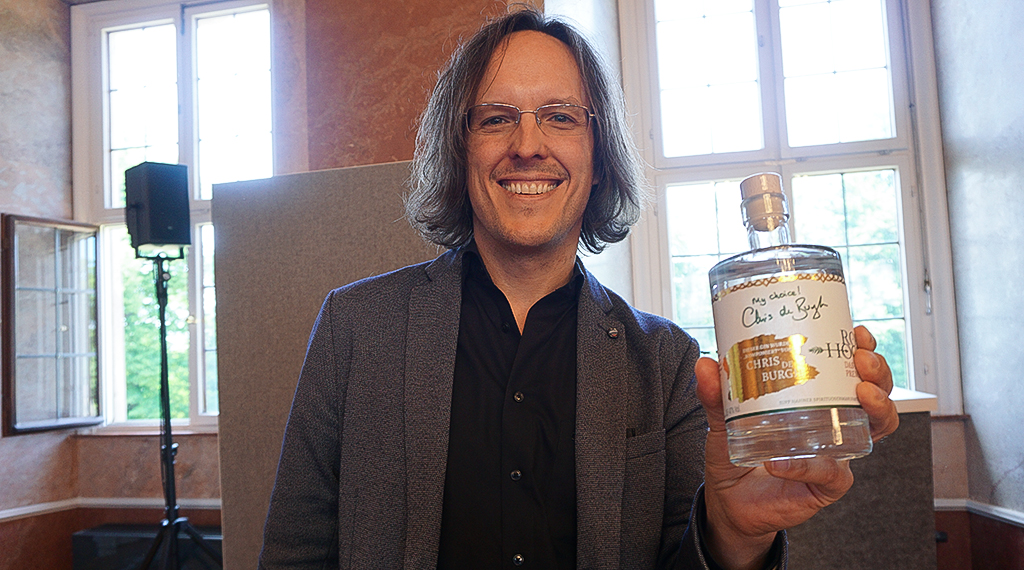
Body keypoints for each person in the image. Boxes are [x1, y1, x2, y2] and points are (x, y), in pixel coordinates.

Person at [258, 7, 899, 570]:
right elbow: (294, 556)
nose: (527, 146)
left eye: (561, 117)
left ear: (598, 160)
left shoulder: (666, 364)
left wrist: (734, 534)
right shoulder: (355, 327)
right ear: (461, 150)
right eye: (496, 119)